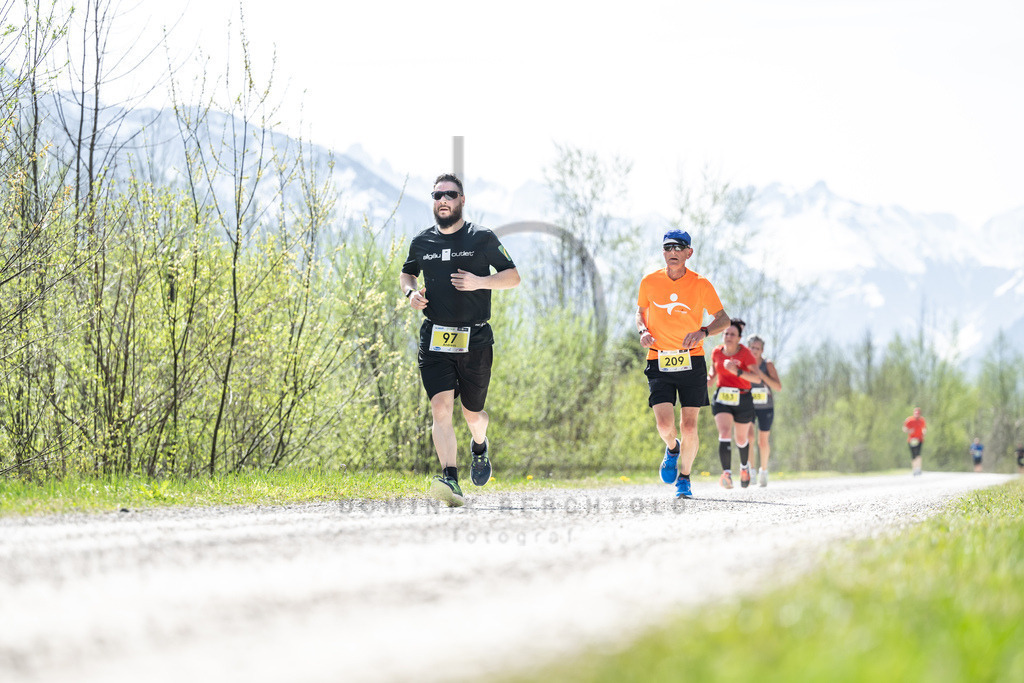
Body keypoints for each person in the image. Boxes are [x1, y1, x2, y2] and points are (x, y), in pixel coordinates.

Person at [400, 173, 521, 507]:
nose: (443, 199)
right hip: (435, 337)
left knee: (473, 415)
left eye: (450, 194)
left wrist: (479, 281)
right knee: (440, 408)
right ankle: (450, 478)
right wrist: (411, 292)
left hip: (476, 339)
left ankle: (479, 445)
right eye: (437, 194)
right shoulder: (422, 242)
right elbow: (407, 272)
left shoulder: (482, 238)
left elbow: (513, 277)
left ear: (462, 200)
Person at [637, 229, 731, 500]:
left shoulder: (701, 284)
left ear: (689, 253)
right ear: (663, 252)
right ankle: (672, 448)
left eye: (679, 247)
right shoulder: (649, 281)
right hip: (659, 359)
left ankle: (685, 478)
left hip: (692, 361)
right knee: (665, 426)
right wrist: (643, 329)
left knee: (690, 426)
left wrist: (703, 332)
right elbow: (640, 312)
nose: (673, 252)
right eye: (668, 247)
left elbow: (723, 319)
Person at [707, 319, 770, 488]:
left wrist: (737, 371)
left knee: (741, 438)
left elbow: (756, 378)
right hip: (723, 397)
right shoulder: (717, 352)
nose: (728, 336)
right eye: (726, 333)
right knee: (725, 432)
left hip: (743, 398)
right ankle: (726, 474)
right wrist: (708, 378)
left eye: (732, 334)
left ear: (739, 338)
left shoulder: (745, 354)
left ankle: (744, 468)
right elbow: (713, 371)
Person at [745, 335, 782, 487]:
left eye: (757, 348)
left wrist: (761, 375)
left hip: (766, 406)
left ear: (762, 350)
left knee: (762, 441)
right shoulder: (744, 363)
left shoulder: (767, 364)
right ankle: (751, 471)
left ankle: (764, 471)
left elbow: (778, 387)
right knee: (749, 437)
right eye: (752, 347)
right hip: (749, 404)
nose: (754, 351)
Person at [902, 407, 927, 476]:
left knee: (918, 454)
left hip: (919, 439)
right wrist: (909, 431)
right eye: (916, 413)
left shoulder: (922, 420)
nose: (917, 415)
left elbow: (924, 428)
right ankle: (914, 469)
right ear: (914, 413)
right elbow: (904, 428)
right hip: (911, 440)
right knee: (913, 455)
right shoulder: (909, 420)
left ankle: (918, 468)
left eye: (918, 414)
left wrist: (924, 432)